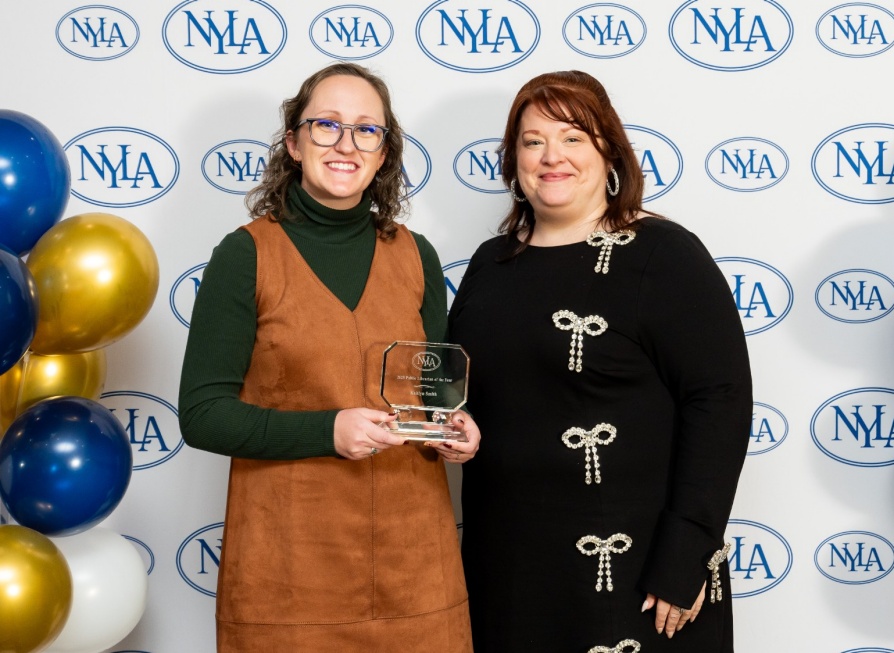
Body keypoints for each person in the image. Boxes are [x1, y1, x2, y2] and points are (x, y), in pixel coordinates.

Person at [179, 62, 479, 652]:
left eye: (367, 129)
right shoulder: (245, 256)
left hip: (415, 572)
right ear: (293, 142)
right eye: (326, 125)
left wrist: (457, 431)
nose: (346, 144)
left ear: (385, 152)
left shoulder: (418, 256)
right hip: (289, 577)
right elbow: (202, 414)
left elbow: (433, 399)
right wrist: (328, 429)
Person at [448, 70, 752, 652]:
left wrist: (686, 551)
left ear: (608, 150)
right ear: (513, 160)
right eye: (532, 141)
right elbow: (479, 395)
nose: (550, 156)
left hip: (639, 570)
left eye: (572, 137)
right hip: (509, 567)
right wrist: (457, 430)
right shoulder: (491, 265)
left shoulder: (663, 255)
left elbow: (720, 402)